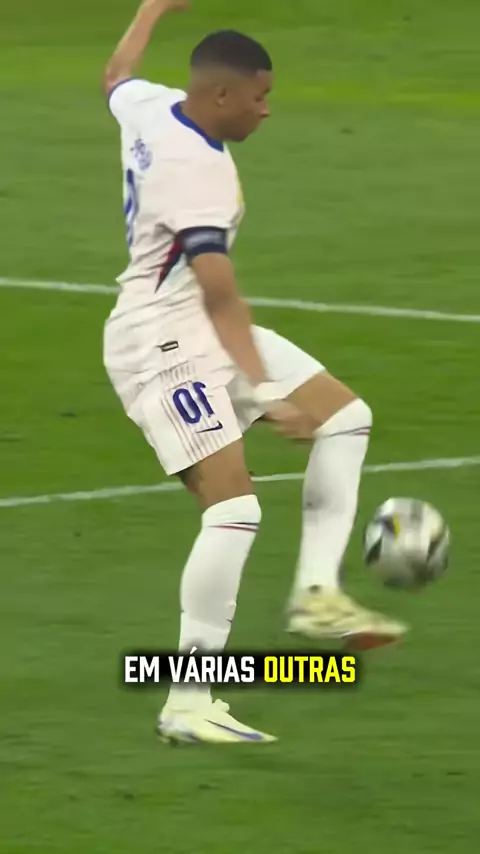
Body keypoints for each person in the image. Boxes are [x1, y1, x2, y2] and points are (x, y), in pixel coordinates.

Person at [103, 0, 407, 745]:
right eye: (260, 96)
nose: (267, 110)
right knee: (233, 511)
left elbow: (116, 77)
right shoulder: (195, 173)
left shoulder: (152, 107)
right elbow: (220, 293)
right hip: (161, 342)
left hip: (197, 327)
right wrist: (266, 393)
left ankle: (316, 594)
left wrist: (151, 9)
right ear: (220, 94)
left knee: (345, 416)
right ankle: (187, 703)